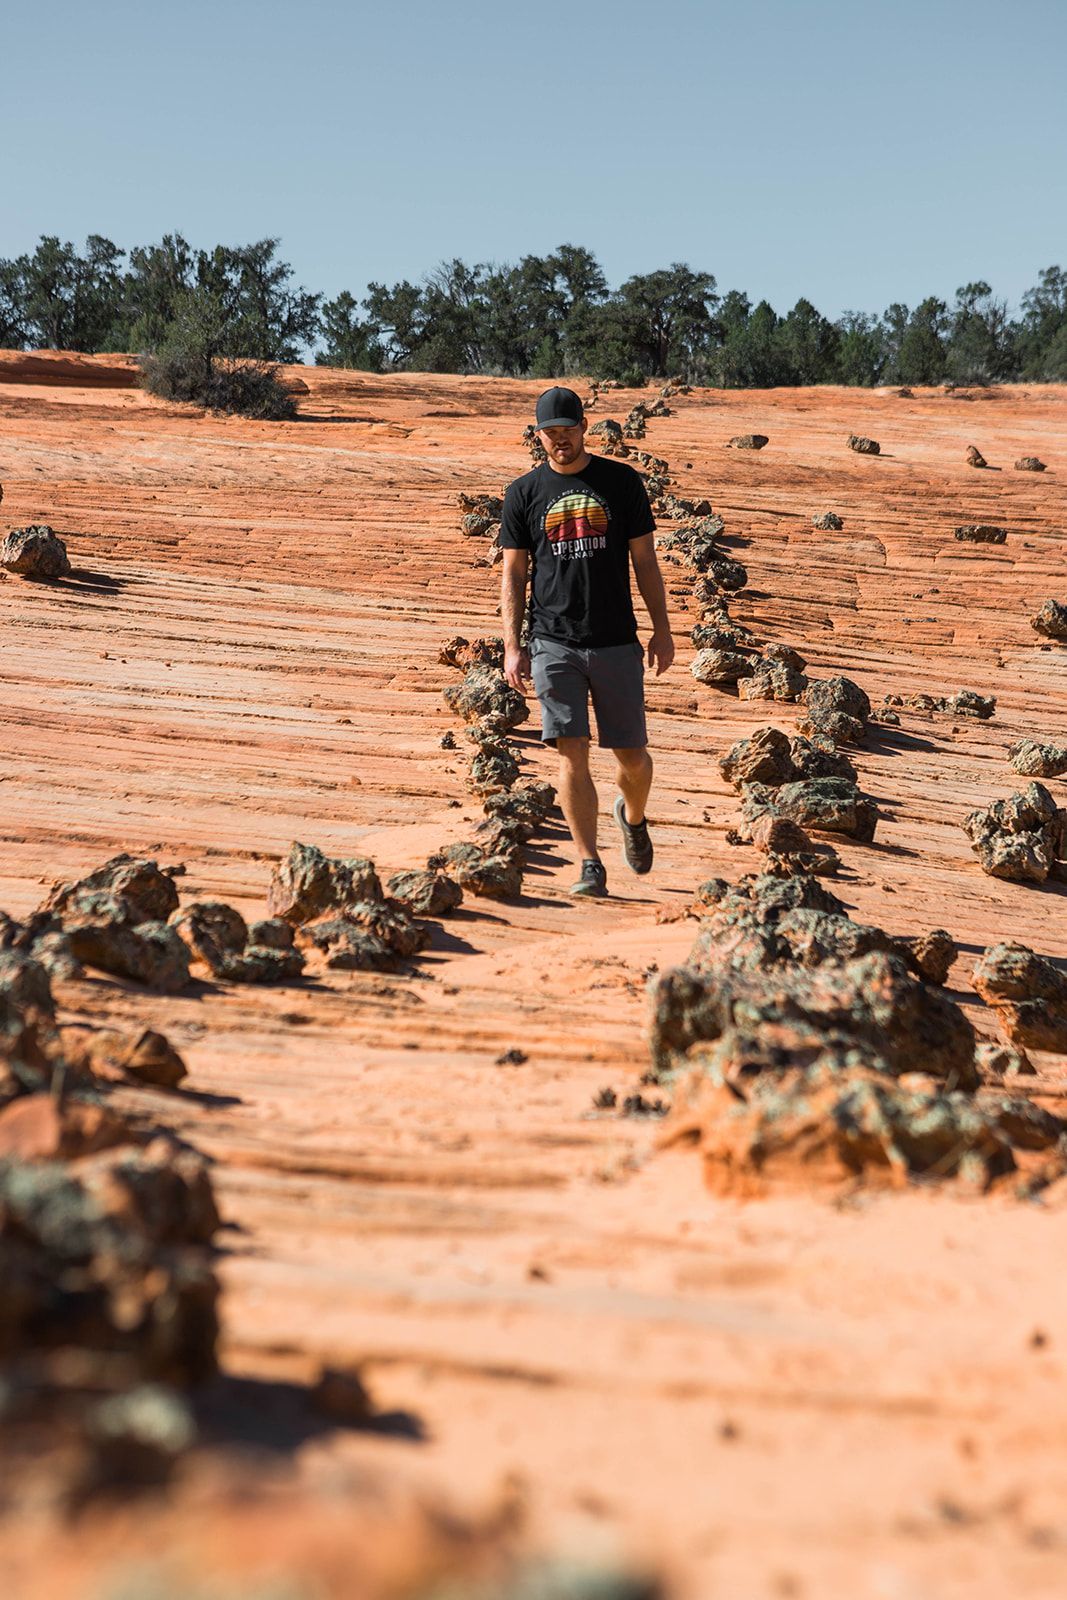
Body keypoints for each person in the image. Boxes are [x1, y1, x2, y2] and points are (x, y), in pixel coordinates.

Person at [499, 385, 675, 897]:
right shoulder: (523, 494)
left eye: (568, 432)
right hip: (553, 642)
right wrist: (513, 645)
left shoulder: (621, 483)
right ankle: (589, 863)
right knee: (570, 750)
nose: (560, 442)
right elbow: (513, 575)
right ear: (538, 436)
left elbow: (645, 560)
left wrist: (661, 630)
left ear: (584, 429)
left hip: (617, 640)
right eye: (550, 434)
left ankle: (633, 816)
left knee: (632, 757)